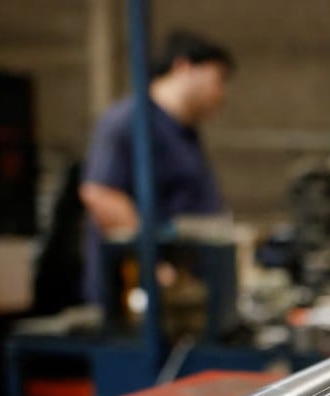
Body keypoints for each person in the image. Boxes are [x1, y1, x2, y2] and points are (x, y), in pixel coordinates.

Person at [79, 30, 234, 302]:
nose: (220, 93)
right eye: (217, 79)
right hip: (139, 299)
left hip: (184, 292)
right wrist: (153, 266)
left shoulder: (185, 133)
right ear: (183, 67)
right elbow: (101, 194)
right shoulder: (128, 121)